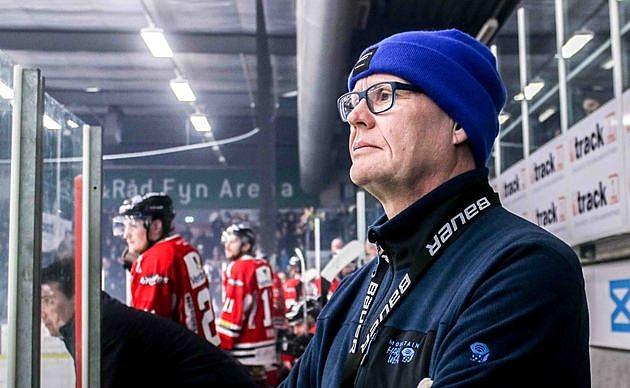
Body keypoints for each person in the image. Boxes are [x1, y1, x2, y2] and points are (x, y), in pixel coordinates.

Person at [281, 29, 589, 387]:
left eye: (383, 96)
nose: (356, 117)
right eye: (353, 102)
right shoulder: (354, 290)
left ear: (458, 122)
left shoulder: (525, 266)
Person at [41, 259, 255, 388]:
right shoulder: (93, 321)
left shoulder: (102, 327)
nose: (42, 312)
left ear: (76, 296)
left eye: (48, 300)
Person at [113, 192, 219, 345]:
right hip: (203, 354)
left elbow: (147, 331)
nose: (126, 235)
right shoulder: (185, 249)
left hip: (182, 364)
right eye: (125, 226)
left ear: (156, 226)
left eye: (133, 226)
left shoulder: (156, 259)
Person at [218, 224, 278, 385]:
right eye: (227, 241)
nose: (227, 246)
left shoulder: (240, 268)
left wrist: (223, 341)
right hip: (265, 344)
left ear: (246, 245)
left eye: (233, 242)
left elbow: (236, 308)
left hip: (245, 346)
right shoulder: (263, 265)